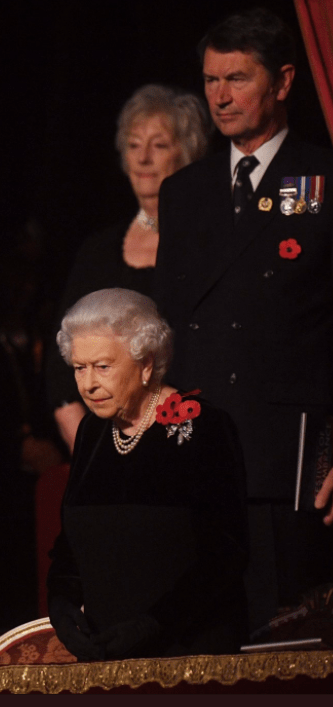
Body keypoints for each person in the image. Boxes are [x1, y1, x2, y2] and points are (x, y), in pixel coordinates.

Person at [153, 8, 333, 633]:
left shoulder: (324, 178)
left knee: (286, 644)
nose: (220, 97)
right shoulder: (184, 191)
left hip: (293, 460)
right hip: (199, 452)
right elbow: (170, 324)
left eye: (237, 78)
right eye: (211, 80)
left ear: (283, 81)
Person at [47, 288, 248, 661]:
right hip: (106, 651)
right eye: (79, 367)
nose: (88, 384)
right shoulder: (92, 431)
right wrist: (61, 602)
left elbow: (226, 555)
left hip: (189, 653)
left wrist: (153, 625)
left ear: (146, 364)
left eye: (102, 366)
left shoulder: (202, 426)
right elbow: (72, 543)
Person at [47, 85, 210, 453]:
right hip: (100, 440)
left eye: (159, 145)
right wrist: (87, 443)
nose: (144, 158)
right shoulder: (97, 250)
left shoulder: (207, 245)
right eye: (134, 145)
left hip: (181, 436)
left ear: (187, 153)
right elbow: (60, 357)